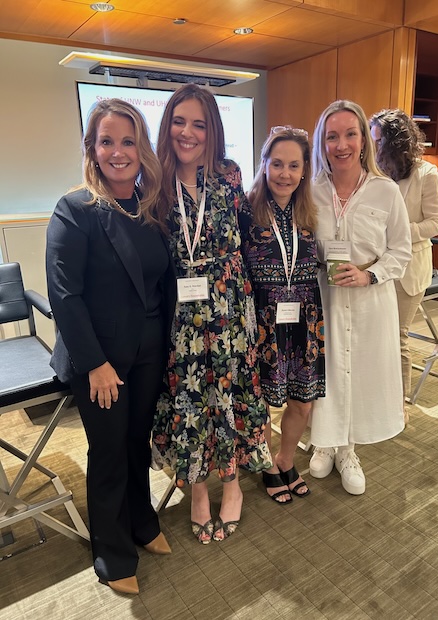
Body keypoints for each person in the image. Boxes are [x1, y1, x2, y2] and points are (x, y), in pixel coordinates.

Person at [46, 99, 176, 595]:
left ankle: (142, 523)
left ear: (141, 148)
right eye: (107, 141)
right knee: (107, 452)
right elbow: (64, 294)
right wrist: (95, 363)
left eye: (128, 141)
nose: (118, 152)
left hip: (147, 350)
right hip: (99, 356)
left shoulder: (148, 207)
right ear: (92, 149)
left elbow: (159, 284)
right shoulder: (75, 208)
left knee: (135, 445)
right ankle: (111, 548)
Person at [151, 84, 272, 544]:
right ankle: (198, 492)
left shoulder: (230, 174)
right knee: (193, 401)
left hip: (230, 308)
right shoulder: (155, 180)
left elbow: (247, 234)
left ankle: (232, 484)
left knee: (231, 396)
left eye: (199, 124)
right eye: (179, 122)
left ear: (212, 130)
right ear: (167, 127)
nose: (188, 132)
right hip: (183, 317)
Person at [309, 100, 412, 495]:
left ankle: (348, 449)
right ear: (322, 142)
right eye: (332, 136)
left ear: (364, 140)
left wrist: (370, 274)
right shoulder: (311, 188)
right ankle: (325, 441)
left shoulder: (385, 191)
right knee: (327, 369)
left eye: (350, 134)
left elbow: (401, 250)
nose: (342, 144)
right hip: (325, 296)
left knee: (360, 372)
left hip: (370, 299)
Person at [239, 126, 325, 504]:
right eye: (277, 164)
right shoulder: (245, 209)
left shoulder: (311, 210)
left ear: (304, 169)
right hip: (260, 321)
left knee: (302, 401)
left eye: (293, 165)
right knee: (262, 403)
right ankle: (268, 467)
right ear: (264, 164)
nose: (284, 173)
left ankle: (286, 459)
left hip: (305, 320)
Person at [370, 109, 438, 414]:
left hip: (409, 269)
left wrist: (399, 234)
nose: (373, 147)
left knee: (396, 336)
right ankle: (377, 396)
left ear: (395, 142)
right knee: (376, 336)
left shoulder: (427, 175)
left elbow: (436, 223)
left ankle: (398, 407)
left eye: (377, 141)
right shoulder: (377, 173)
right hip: (378, 266)